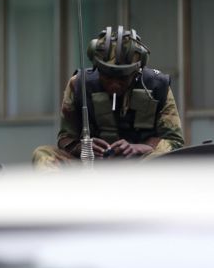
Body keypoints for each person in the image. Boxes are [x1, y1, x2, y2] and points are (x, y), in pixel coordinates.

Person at [32, 27, 184, 169]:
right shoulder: (79, 85)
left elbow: (175, 141)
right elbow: (65, 138)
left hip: (140, 166)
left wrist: (139, 148)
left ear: (136, 71)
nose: (115, 85)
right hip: (92, 165)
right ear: (97, 68)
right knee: (43, 154)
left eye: (122, 78)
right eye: (107, 77)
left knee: (165, 160)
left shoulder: (157, 86)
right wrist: (83, 147)